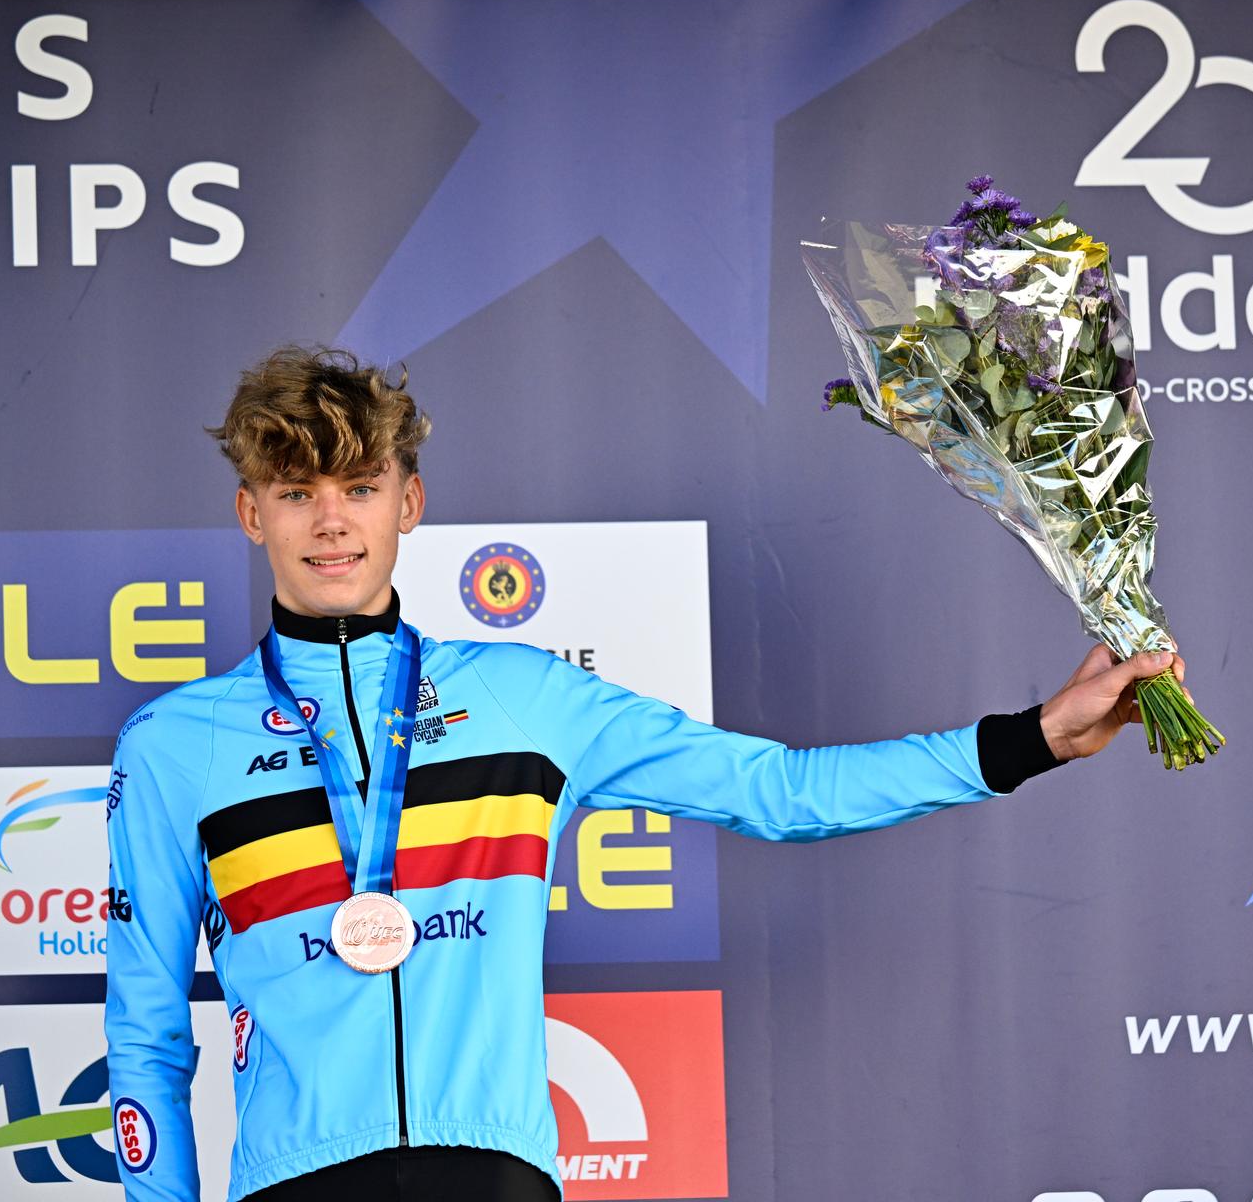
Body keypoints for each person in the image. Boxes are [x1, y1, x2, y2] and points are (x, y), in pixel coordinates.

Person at [104, 346, 1189, 1201]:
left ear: (411, 502)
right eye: (295, 491)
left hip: (495, 1173)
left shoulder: (530, 699)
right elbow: (145, 1033)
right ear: (252, 513)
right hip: (293, 1181)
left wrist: (1034, 736)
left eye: (359, 484)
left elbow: (780, 790)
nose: (331, 520)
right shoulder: (173, 745)